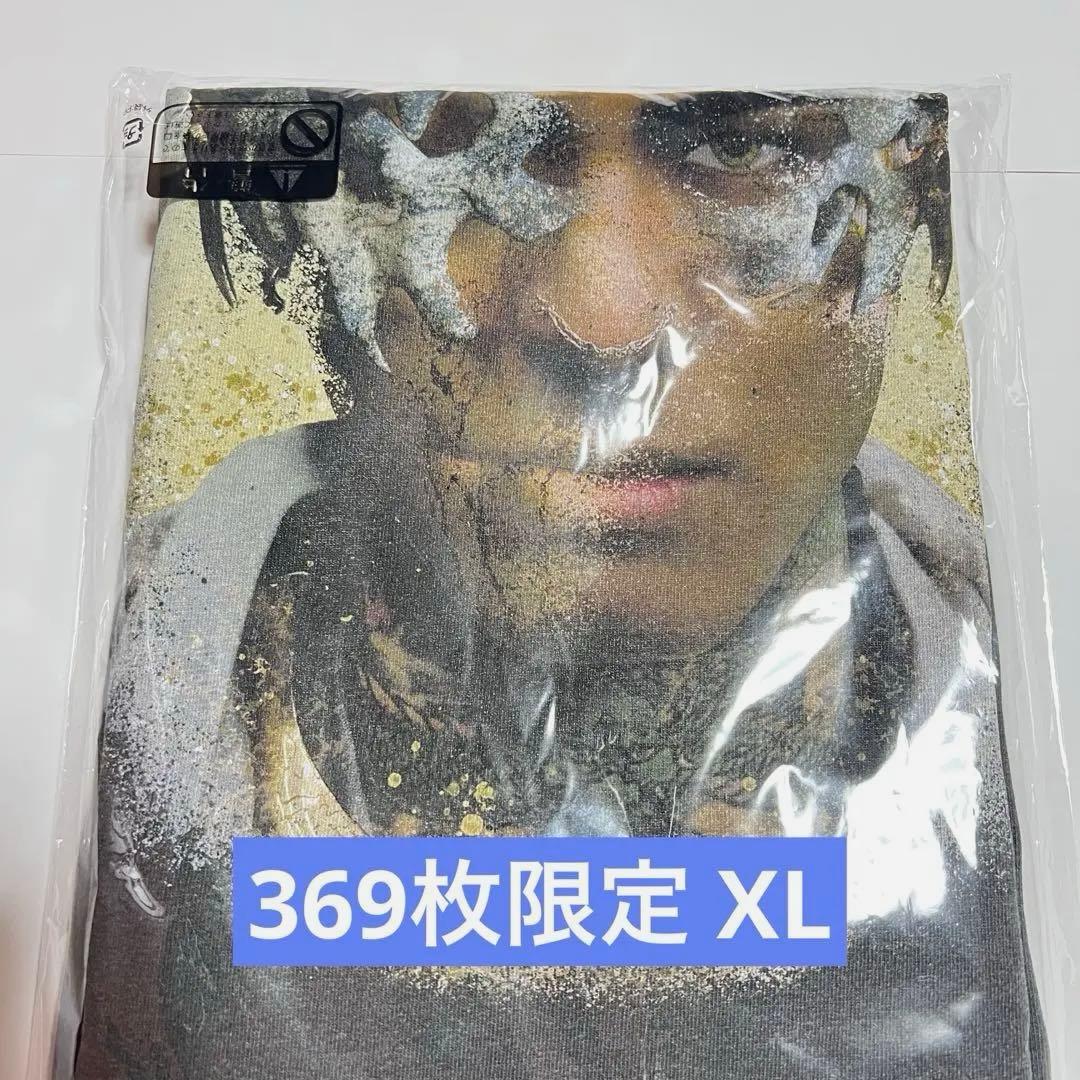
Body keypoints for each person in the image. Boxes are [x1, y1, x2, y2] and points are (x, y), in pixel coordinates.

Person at [76, 91, 1045, 1079]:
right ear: (299, 230)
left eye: (744, 147)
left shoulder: (1034, 721)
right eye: (447, 155)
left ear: (918, 179)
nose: (604, 319)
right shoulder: (75, 719)